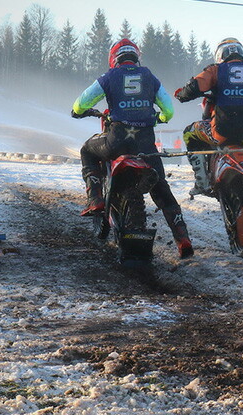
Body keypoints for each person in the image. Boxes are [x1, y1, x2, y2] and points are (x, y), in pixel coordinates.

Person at [72, 38, 193, 259]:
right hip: (145, 145)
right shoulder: (149, 77)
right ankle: (182, 238)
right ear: (136, 56)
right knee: (161, 188)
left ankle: (95, 199)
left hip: (116, 142)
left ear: (114, 59)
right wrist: (160, 118)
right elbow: (169, 110)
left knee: (87, 151)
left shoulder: (109, 77)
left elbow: (81, 104)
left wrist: (79, 111)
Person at [174, 37, 243, 217]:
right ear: (240, 52)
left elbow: (195, 85)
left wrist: (184, 93)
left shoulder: (216, 70)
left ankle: (202, 181)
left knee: (189, 132)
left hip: (220, 132)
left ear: (220, 54)